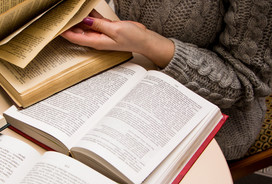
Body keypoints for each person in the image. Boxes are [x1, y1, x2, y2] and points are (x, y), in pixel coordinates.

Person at [61, 0, 272, 161]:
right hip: (127, 69)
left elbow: (245, 84)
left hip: (212, 111)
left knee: (98, 153)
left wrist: (147, 43)